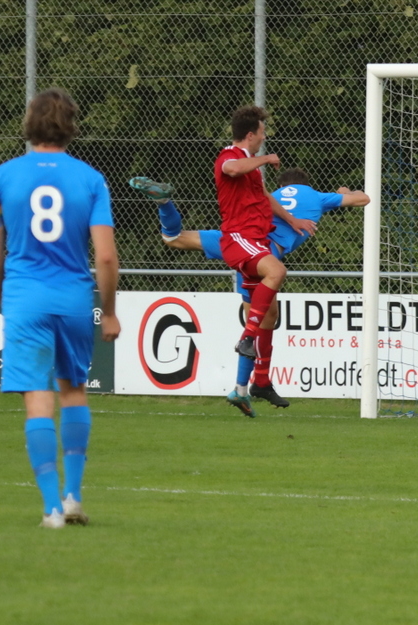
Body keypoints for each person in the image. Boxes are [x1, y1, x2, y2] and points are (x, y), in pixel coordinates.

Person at [0, 88, 120, 528]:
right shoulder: (91, 179)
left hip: (25, 297)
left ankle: (51, 509)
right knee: (73, 390)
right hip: (74, 298)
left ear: (29, 124)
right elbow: (105, 257)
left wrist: (6, 298)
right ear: (71, 126)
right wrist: (109, 311)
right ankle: (73, 496)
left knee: (37, 397)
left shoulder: (1, 177)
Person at [128, 168, 370, 417]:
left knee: (175, 238)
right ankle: (245, 387)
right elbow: (363, 199)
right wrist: (346, 192)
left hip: (235, 240)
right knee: (258, 322)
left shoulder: (273, 195)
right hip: (261, 254)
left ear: (282, 185)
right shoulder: (317, 196)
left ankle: (164, 203)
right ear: (306, 184)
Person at [209, 105, 316, 409]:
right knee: (277, 271)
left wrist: (292, 220)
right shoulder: (230, 156)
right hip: (239, 238)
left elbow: (264, 198)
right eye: (262, 132)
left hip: (255, 240)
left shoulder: (251, 169)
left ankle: (249, 387)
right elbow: (231, 169)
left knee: (268, 313)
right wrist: (266, 159)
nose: (264, 137)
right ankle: (247, 338)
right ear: (250, 135)